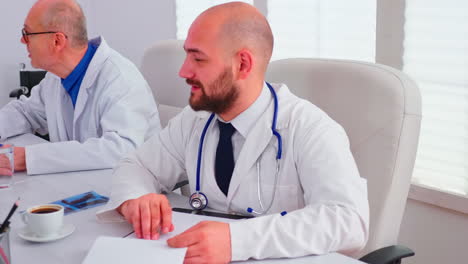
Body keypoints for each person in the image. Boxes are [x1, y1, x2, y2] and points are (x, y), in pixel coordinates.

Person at [98, 2, 369, 263]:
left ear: (243, 65)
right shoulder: (195, 120)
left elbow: (347, 220)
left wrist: (236, 241)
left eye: (198, 58)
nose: (183, 70)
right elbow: (137, 165)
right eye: (186, 55)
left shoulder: (309, 128)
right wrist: (136, 198)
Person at [0, 0, 160, 175]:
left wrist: (29, 158)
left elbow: (121, 149)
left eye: (27, 33)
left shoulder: (119, 77)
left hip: (135, 187)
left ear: (57, 41)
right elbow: (26, 112)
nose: (23, 41)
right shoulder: (55, 77)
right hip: (80, 181)